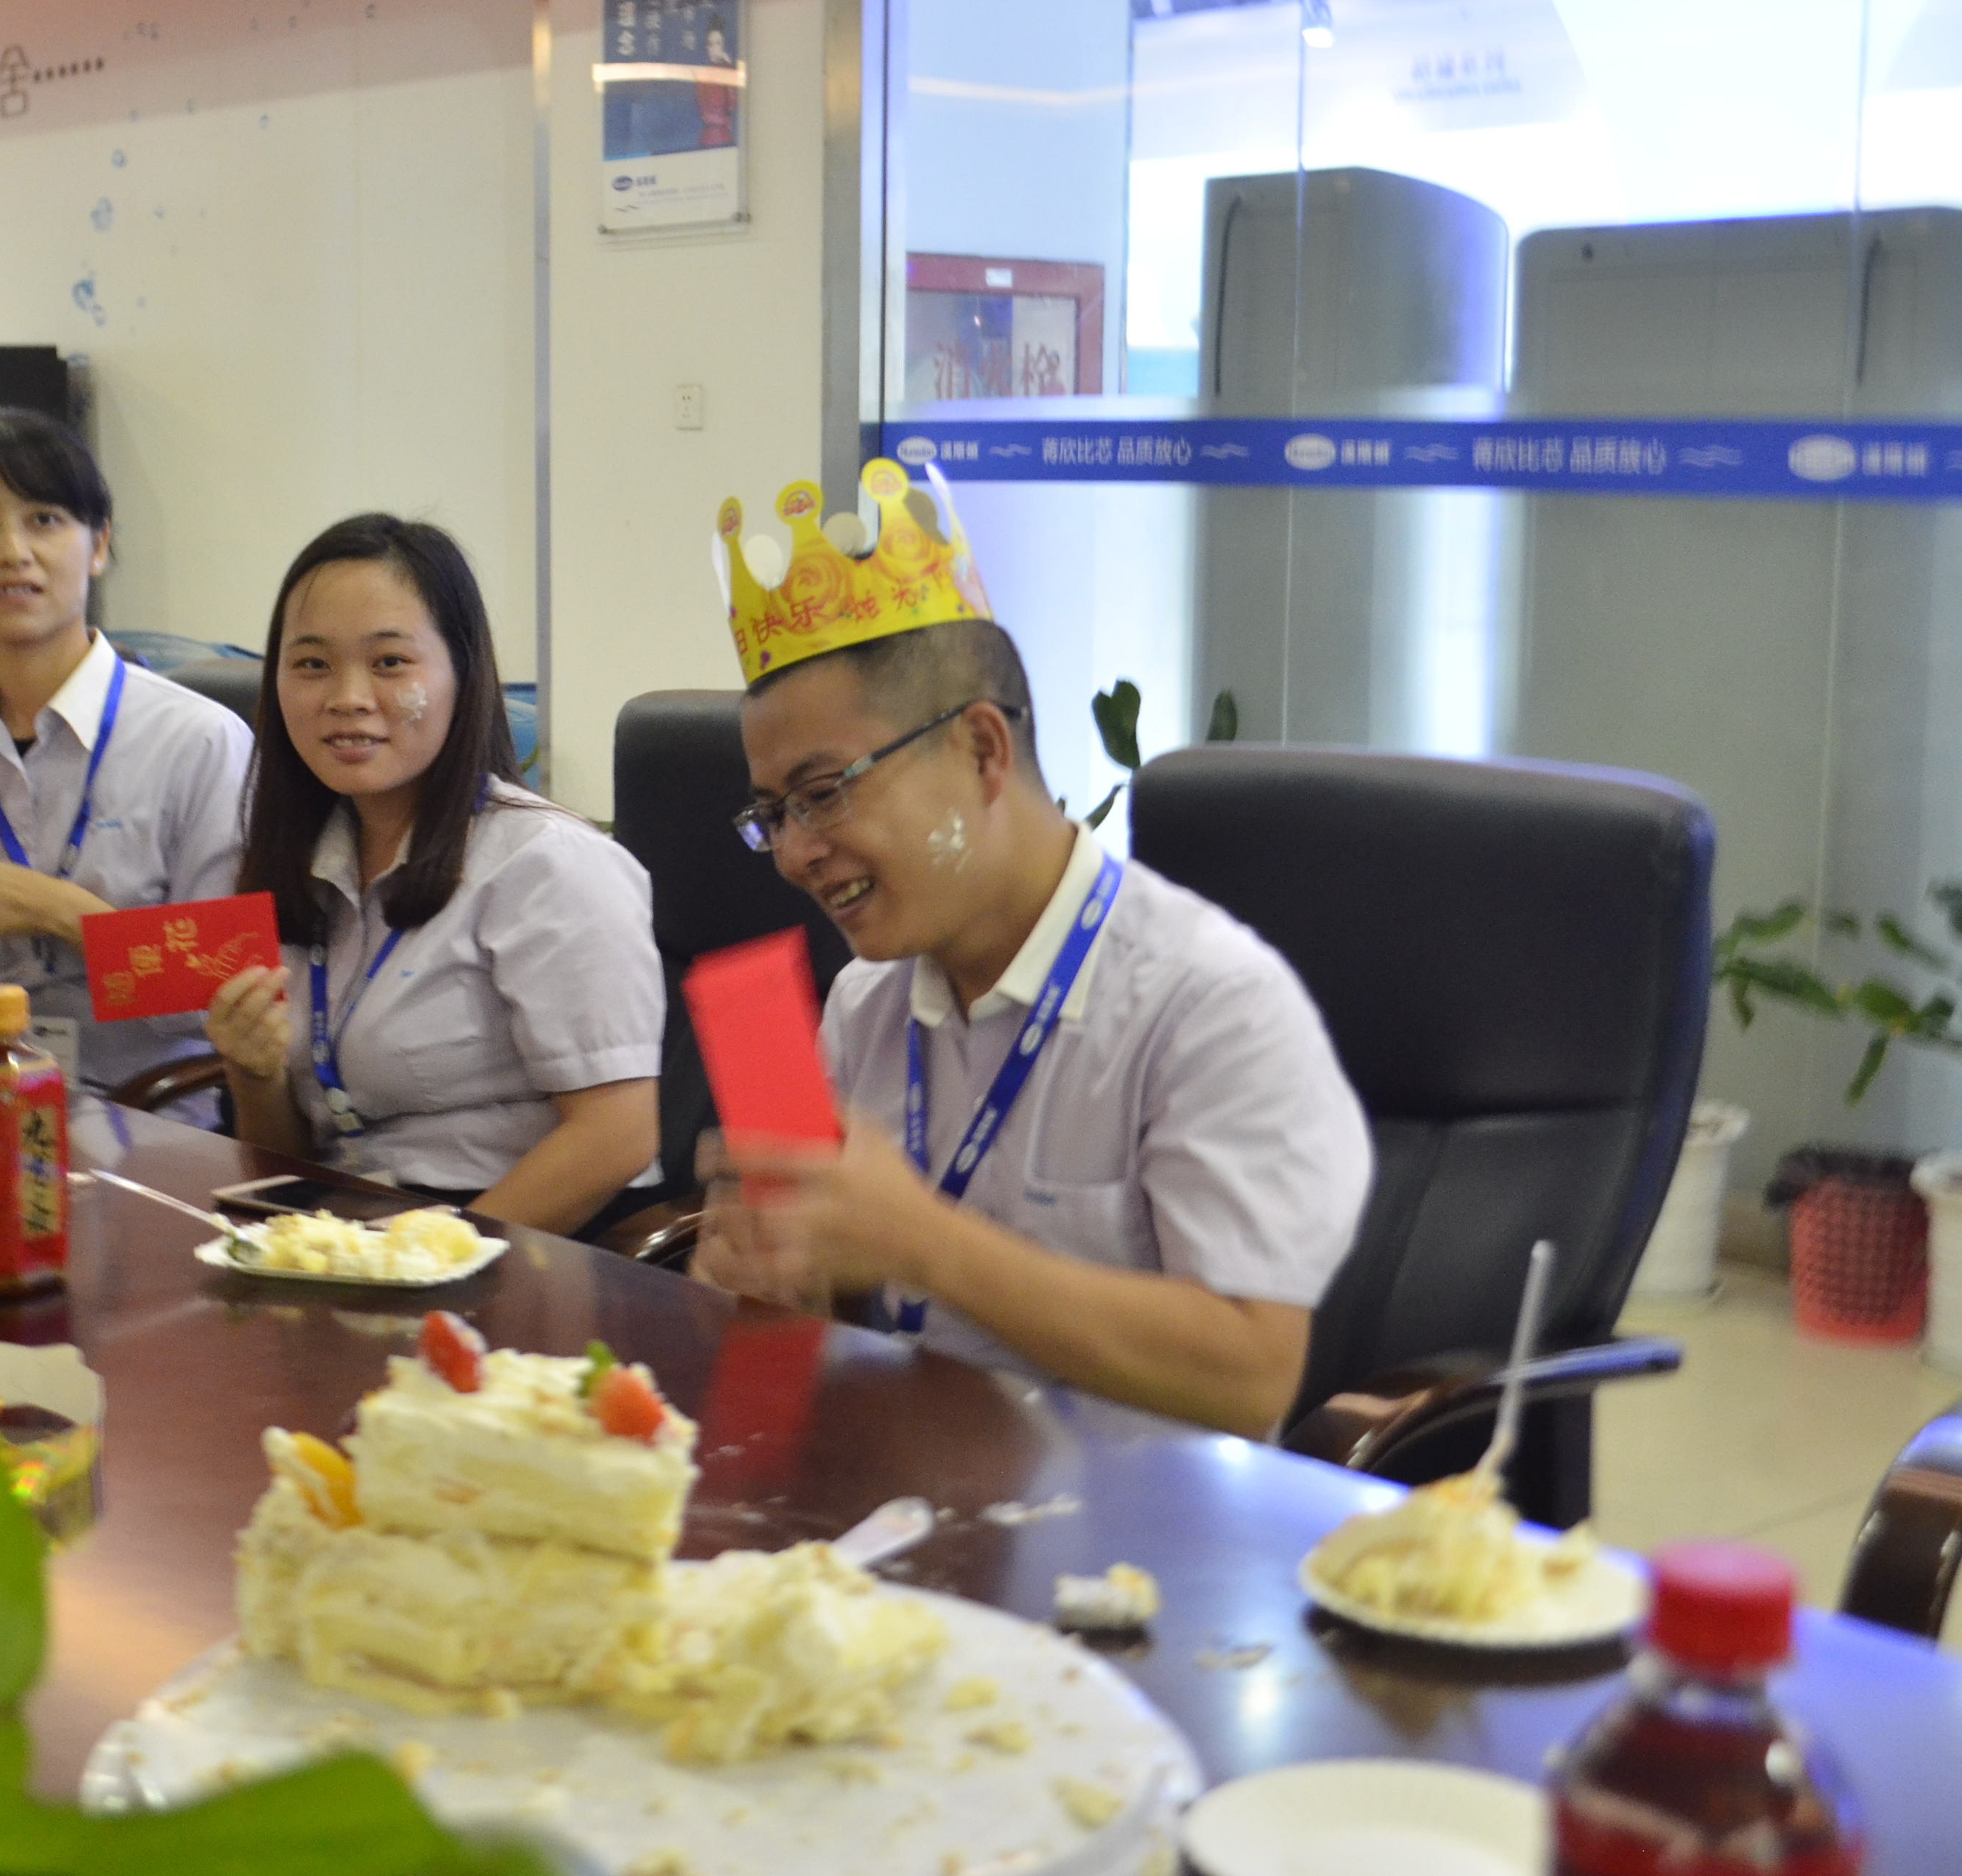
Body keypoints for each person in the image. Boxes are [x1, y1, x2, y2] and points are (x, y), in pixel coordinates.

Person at [690, 463, 1372, 1439]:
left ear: (981, 751)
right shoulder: (865, 1003)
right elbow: (845, 1316)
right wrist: (783, 1278)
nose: (795, 853)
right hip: (903, 1488)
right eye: (773, 814)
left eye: (825, 793)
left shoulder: (1209, 1002)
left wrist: (921, 1241)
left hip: (1137, 1517)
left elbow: (1250, 1379)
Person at [200, 515, 661, 1235]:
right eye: (312, 664)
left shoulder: (546, 864)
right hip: (345, 1236)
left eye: (389, 662)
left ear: (462, 676)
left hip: (513, 1248)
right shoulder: (295, 862)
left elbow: (619, 1133)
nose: (347, 697)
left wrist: (428, 1259)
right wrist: (254, 1077)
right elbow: (290, 1163)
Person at [0, 408, 251, 1092]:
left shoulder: (201, 741)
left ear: (98, 546)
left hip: (147, 1124)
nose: (12, 551)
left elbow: (229, 989)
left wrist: (55, 910)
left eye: (44, 519)